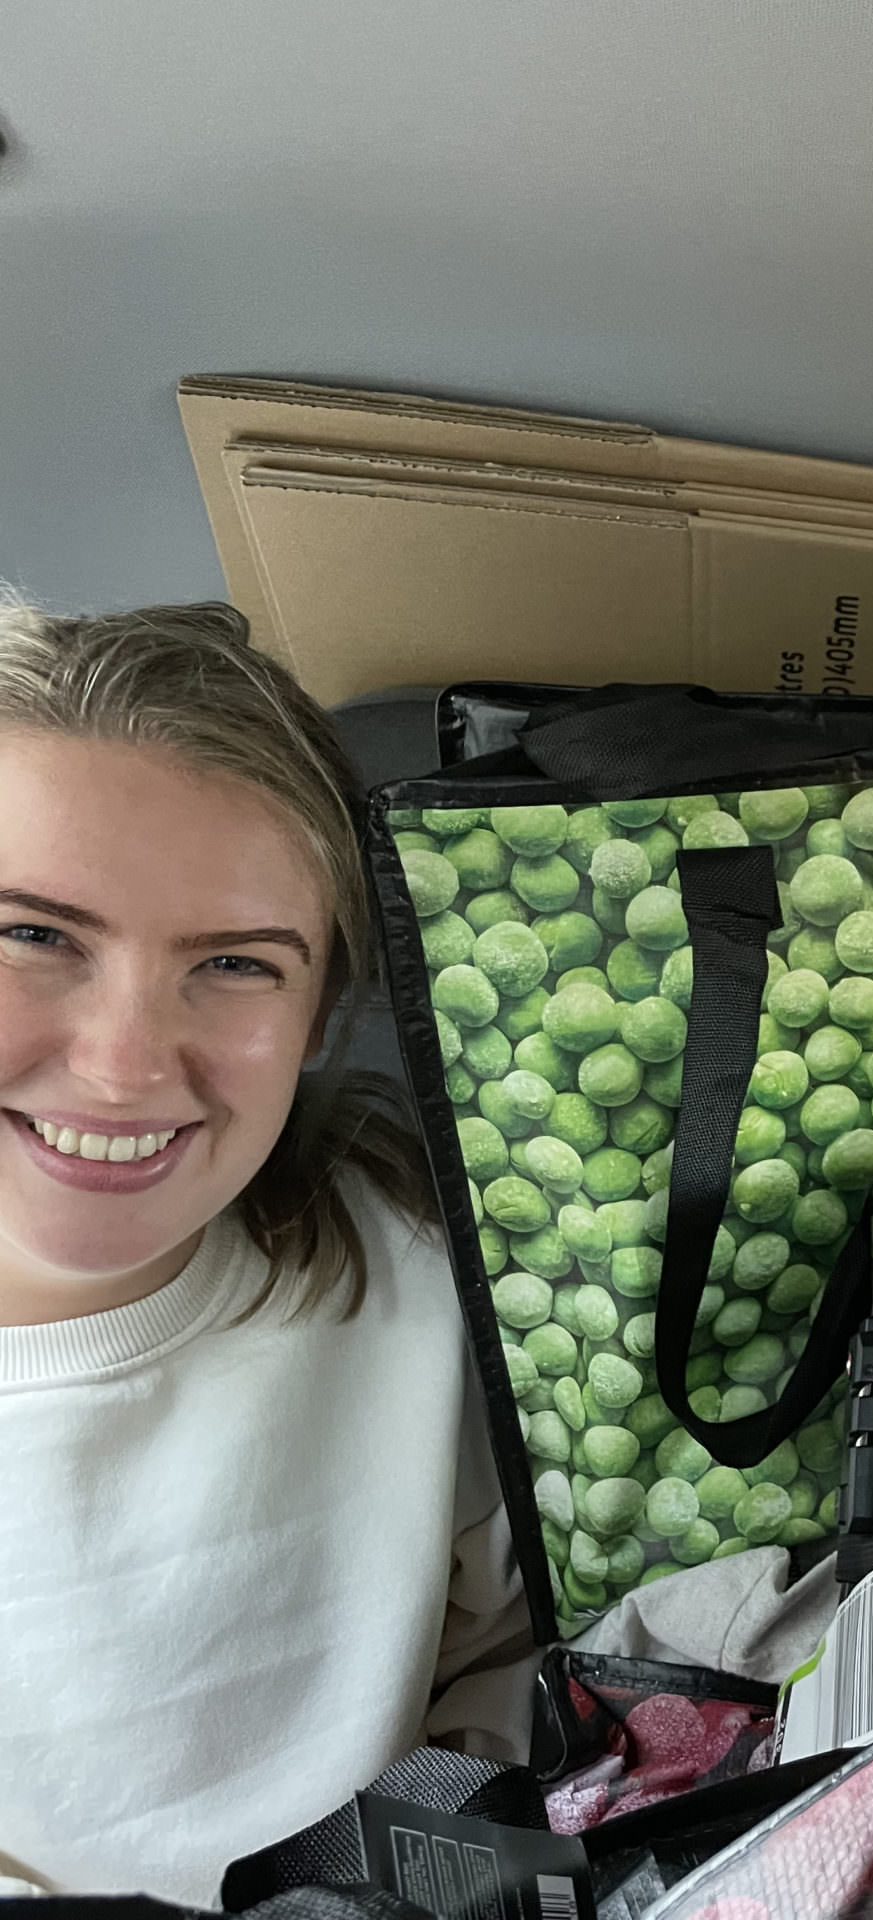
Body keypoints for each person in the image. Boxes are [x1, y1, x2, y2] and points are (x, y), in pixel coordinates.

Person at [0, 601, 527, 1900]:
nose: (124, 1066)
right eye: (32, 936)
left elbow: (523, 1669)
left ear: (319, 1017)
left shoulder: (420, 1275)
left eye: (235, 963)